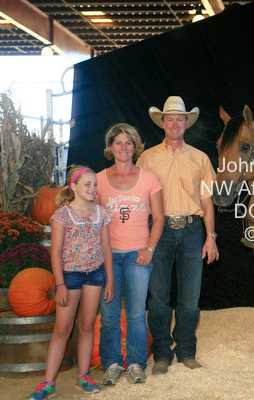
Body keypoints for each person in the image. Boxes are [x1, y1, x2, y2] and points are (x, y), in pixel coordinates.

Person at [136, 96, 218, 375]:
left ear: (186, 123)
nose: (174, 124)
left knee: (190, 298)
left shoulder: (200, 158)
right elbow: (139, 199)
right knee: (158, 298)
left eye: (179, 119)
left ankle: (186, 351)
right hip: (159, 231)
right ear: (162, 123)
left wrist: (211, 236)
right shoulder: (147, 158)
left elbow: (207, 200)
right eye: (169, 119)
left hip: (193, 230)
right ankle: (161, 353)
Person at [29, 166, 113, 400]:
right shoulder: (62, 215)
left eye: (95, 184)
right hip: (70, 276)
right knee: (62, 328)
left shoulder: (101, 213)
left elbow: (107, 249)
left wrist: (110, 281)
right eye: (87, 184)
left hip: (95, 275)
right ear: (73, 186)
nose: (93, 188)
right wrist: (60, 285)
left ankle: (83, 376)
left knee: (87, 325)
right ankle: (48, 383)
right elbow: (55, 252)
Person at [95, 123, 164, 385]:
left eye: (128, 143)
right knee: (109, 315)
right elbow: (94, 220)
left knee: (136, 314)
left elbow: (159, 218)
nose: (123, 148)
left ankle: (136, 363)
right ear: (110, 147)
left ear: (135, 147)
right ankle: (112, 364)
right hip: (108, 257)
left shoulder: (149, 179)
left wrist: (149, 249)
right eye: (118, 143)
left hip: (138, 256)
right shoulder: (98, 180)